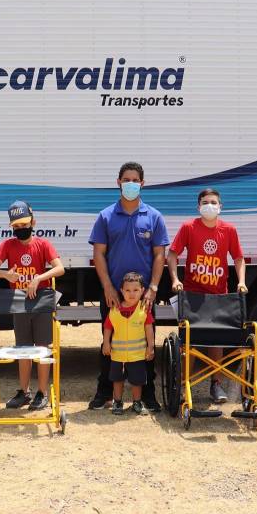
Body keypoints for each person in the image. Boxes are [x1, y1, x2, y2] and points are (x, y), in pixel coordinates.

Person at [88, 161, 169, 411]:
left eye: (135, 180)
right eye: (126, 180)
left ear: (142, 184)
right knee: (109, 343)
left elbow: (159, 255)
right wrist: (108, 287)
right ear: (118, 183)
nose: (130, 184)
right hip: (114, 295)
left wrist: (153, 287)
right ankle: (105, 393)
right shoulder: (106, 216)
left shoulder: (154, 217)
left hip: (143, 297)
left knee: (145, 345)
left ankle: (147, 395)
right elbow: (99, 253)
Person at [167, 187, 247, 404]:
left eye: (213, 202)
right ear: (198, 206)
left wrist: (241, 281)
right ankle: (184, 385)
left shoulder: (229, 230)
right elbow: (172, 254)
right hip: (193, 294)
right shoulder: (189, 227)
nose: (209, 206)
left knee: (216, 340)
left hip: (218, 294)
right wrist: (175, 279)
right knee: (189, 343)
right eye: (205, 202)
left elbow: (238, 258)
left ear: (220, 206)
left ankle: (216, 385)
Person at [0, 201, 65, 411]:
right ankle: (24, 392)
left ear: (33, 222)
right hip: (19, 303)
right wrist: (6, 274)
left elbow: (60, 268)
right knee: (23, 349)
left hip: (41, 303)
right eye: (17, 226)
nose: (21, 229)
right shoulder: (7, 245)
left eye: (24, 225)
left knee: (43, 349)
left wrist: (39, 278)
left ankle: (42, 392)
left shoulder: (43, 244)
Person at [102, 272, 156, 415]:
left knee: (137, 381)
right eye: (127, 290)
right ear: (121, 291)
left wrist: (151, 347)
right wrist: (106, 343)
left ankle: (137, 402)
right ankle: (117, 402)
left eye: (135, 290)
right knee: (117, 379)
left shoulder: (144, 310)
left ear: (142, 291)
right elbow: (108, 327)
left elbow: (149, 329)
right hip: (117, 355)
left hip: (137, 355)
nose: (131, 294)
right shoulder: (114, 309)